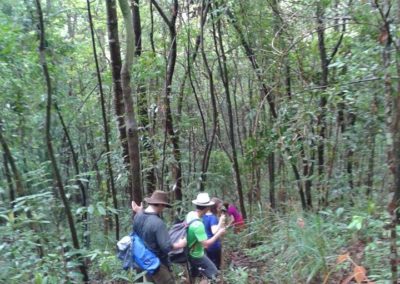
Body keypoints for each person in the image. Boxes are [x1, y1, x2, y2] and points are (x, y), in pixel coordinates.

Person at [132, 190, 186, 284]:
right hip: (157, 264)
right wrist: (180, 245)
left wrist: (139, 211)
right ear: (160, 204)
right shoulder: (158, 223)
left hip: (143, 261)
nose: (164, 208)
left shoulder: (138, 216)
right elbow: (166, 247)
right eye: (164, 205)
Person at [186, 193, 226, 281]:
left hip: (190, 251)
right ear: (207, 207)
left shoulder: (190, 214)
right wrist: (219, 233)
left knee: (196, 275)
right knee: (214, 274)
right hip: (197, 255)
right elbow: (206, 244)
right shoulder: (198, 224)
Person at [202, 197, 225, 269]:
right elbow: (214, 231)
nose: (219, 210)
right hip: (214, 245)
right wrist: (221, 220)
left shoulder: (204, 216)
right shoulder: (212, 217)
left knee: (210, 265)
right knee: (216, 266)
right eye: (219, 208)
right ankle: (215, 279)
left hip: (206, 244)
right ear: (214, 207)